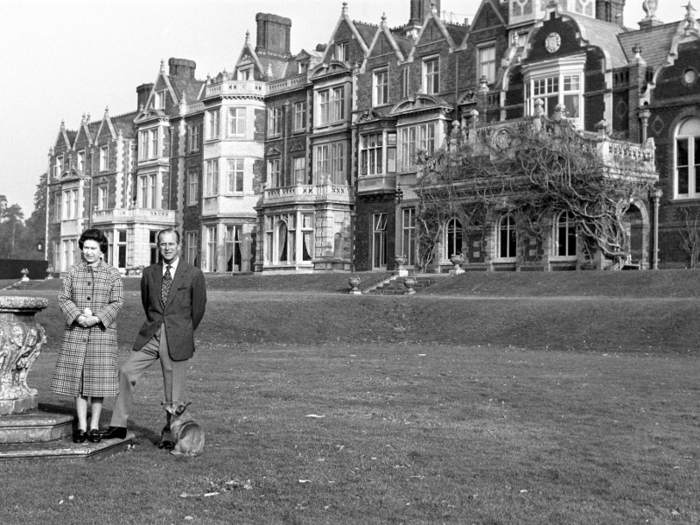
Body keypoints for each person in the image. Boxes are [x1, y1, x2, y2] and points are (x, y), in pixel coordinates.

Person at [101, 228, 207, 448]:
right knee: (126, 371)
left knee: (173, 390)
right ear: (158, 246)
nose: (167, 248)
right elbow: (147, 303)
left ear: (179, 246)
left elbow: (198, 310)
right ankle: (119, 424)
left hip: (177, 336)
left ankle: (170, 434)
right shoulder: (150, 273)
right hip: (151, 333)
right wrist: (157, 326)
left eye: (171, 244)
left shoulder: (193, 274)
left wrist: (182, 331)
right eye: (163, 244)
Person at [51, 228, 124, 444]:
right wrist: (77, 317)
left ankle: (94, 425)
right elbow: (64, 298)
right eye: (86, 248)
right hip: (77, 332)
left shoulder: (112, 274)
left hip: (101, 333)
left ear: (102, 251)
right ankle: (81, 426)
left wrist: (97, 318)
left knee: (97, 381)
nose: (89, 252)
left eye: (93, 248)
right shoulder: (73, 272)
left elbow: (117, 302)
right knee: (79, 381)